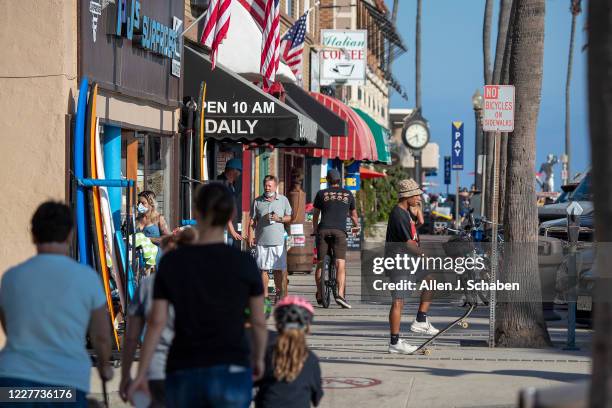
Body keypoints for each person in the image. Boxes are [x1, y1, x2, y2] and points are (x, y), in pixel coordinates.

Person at [128, 183, 267, 407]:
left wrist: (142, 372)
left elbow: (156, 321)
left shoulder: (174, 262)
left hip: (184, 365)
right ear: (230, 214)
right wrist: (259, 357)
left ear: (196, 212)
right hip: (232, 365)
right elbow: (258, 320)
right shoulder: (244, 263)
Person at [0, 201, 112, 405]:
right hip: (65, 381)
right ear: (70, 234)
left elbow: (9, 325)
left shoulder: (11, 278)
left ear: (33, 235)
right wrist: (104, 366)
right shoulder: (86, 278)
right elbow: (101, 336)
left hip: (13, 380)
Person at [119, 228, 196, 407]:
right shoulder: (201, 284)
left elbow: (131, 338)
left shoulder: (148, 285)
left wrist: (126, 376)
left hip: (156, 371)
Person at [386, 179, 439, 355]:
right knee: (398, 301)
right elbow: (408, 243)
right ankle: (395, 342)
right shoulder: (398, 214)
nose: (419, 198)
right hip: (399, 261)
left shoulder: (406, 213)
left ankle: (421, 319)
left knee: (430, 279)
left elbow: (415, 229)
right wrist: (425, 255)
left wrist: (418, 214)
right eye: (416, 195)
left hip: (408, 261)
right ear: (407, 196)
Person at [254, 296, 323, 408]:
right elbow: (316, 397)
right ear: (307, 328)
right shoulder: (311, 359)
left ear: (277, 325)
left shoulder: (266, 353)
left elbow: (253, 381)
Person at [312, 169, 360, 309]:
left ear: (327, 180)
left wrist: (315, 229)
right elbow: (354, 216)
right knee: (340, 264)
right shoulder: (348, 194)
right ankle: (340, 295)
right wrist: (356, 227)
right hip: (339, 231)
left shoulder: (321, 194)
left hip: (323, 229)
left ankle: (320, 294)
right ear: (340, 180)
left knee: (320, 263)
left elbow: (315, 214)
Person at [249, 175, 293, 299]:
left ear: (275, 186)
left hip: (278, 241)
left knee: (278, 270)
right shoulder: (257, 201)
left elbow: (289, 217)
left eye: (270, 186)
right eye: (266, 185)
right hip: (262, 241)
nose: (267, 188)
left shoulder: (283, 200)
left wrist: (279, 219)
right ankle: (265, 296)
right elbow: (252, 221)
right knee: (263, 269)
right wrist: (250, 236)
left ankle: (279, 294)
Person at [218, 158, 243, 248]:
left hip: (228, 229)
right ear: (233, 171)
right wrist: (232, 231)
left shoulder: (230, 185)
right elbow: (223, 209)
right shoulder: (223, 185)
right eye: (239, 171)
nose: (240, 174)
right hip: (224, 230)